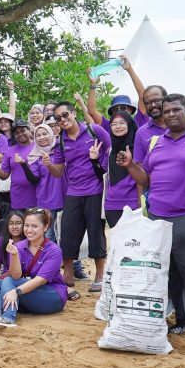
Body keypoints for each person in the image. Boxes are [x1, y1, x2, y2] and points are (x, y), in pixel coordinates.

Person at [119, 94, 185, 348]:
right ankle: (183, 320)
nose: (171, 114)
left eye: (176, 109)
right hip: (158, 219)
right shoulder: (156, 143)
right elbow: (146, 180)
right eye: (167, 111)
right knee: (170, 272)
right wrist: (131, 166)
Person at [49, 103, 110, 288]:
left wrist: (101, 162)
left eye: (65, 115)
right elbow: (58, 171)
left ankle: (99, 277)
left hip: (96, 190)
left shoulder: (95, 131)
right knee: (67, 232)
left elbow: (110, 149)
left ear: (74, 114)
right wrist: (48, 164)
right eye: (58, 118)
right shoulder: (61, 141)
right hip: (73, 191)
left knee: (96, 233)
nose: (62, 120)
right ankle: (68, 274)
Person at [0, 208, 68, 329]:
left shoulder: (53, 250)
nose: (29, 230)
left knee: (8, 282)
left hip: (53, 296)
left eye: (34, 226)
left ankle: (8, 319)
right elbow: (16, 275)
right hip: (30, 292)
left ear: (45, 227)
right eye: (27, 225)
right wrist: (13, 255)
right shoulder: (18, 246)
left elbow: (41, 280)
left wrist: (16, 291)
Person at [103, 113, 140, 228]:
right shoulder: (110, 149)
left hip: (134, 204)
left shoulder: (139, 147)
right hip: (112, 205)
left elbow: (143, 177)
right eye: (114, 124)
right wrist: (94, 160)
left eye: (122, 123)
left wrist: (140, 203)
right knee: (118, 243)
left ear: (130, 124)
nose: (118, 127)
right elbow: (103, 172)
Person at [0, 120, 38, 210]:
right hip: (18, 196)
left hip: (36, 195)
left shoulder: (38, 146)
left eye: (23, 130)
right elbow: (4, 176)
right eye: (16, 133)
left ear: (29, 130)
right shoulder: (10, 150)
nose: (20, 134)